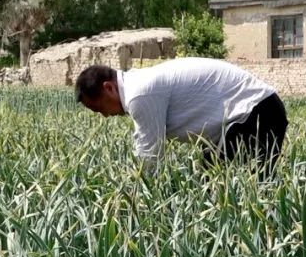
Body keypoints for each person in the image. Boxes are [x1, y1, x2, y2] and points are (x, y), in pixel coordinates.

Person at [75, 58, 288, 173]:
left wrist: (134, 199)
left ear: (109, 88)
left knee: (227, 186)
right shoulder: (138, 85)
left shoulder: (139, 93)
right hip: (250, 114)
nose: (103, 115)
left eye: (98, 108)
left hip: (257, 112)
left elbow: (150, 155)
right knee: (214, 179)